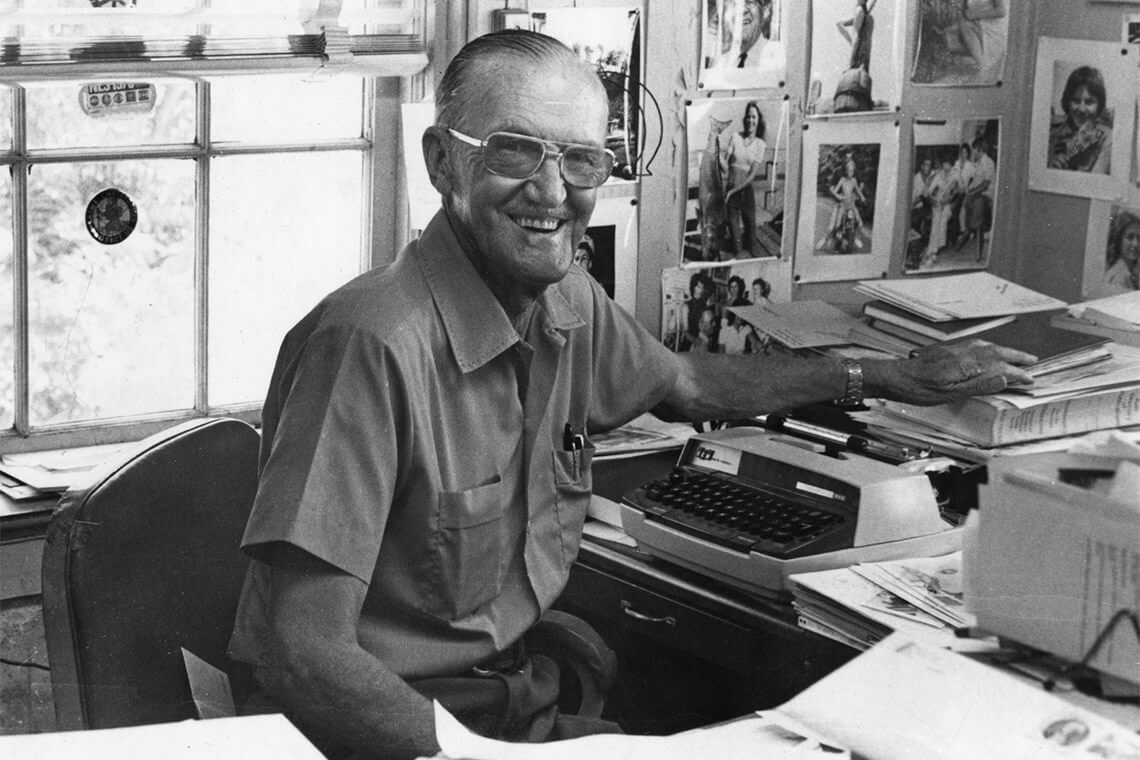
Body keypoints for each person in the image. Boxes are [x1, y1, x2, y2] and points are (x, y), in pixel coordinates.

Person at [227, 29, 1036, 759]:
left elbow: (690, 384)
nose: (553, 192)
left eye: (581, 160)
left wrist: (883, 375)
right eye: (516, 152)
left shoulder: (565, 303)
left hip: (513, 711)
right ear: (442, 161)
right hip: (387, 737)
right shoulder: (367, 346)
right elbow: (303, 656)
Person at [722, 101, 768, 259]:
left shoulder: (761, 144)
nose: (750, 120)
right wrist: (716, 157)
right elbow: (725, 165)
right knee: (737, 249)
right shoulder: (735, 137)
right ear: (745, 119)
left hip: (746, 193)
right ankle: (735, 241)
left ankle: (747, 240)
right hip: (731, 193)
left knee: (752, 244)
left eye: (754, 117)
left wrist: (732, 192)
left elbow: (751, 176)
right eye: (748, 116)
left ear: (758, 120)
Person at [1048, 65, 1112, 174]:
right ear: (1068, 101)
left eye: (1089, 102)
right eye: (1076, 100)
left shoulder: (1106, 139)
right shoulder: (1052, 131)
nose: (1082, 109)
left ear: (1099, 105)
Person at [707, 0, 775, 69]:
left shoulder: (776, 57)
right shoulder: (721, 62)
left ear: (765, 10)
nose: (742, 10)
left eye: (750, 2)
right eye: (734, 3)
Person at [957, 137, 995, 259]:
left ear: (980, 149)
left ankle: (976, 249)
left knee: (977, 219)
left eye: (974, 151)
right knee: (963, 209)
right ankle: (966, 231)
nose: (973, 153)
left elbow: (985, 184)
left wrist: (971, 193)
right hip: (975, 194)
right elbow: (974, 180)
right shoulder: (977, 163)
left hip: (985, 196)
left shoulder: (988, 163)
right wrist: (968, 190)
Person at [922, 155, 959, 267]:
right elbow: (928, 192)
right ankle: (932, 252)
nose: (946, 166)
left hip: (949, 205)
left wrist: (950, 197)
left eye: (948, 164)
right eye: (944, 164)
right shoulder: (938, 175)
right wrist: (933, 200)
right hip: (938, 203)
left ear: (951, 164)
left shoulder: (955, 175)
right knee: (936, 221)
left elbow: (959, 190)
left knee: (942, 222)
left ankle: (933, 251)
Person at [1099, 210, 1140, 295]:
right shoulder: (1120, 275)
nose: (1136, 244)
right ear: (1119, 240)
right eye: (1130, 237)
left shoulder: (1129, 270)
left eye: (1139, 238)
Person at [837, 0, 877, 73]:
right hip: (861, 8)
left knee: (855, 35)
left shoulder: (861, 8)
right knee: (839, 24)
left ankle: (851, 62)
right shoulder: (862, 8)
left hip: (860, 8)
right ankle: (853, 44)